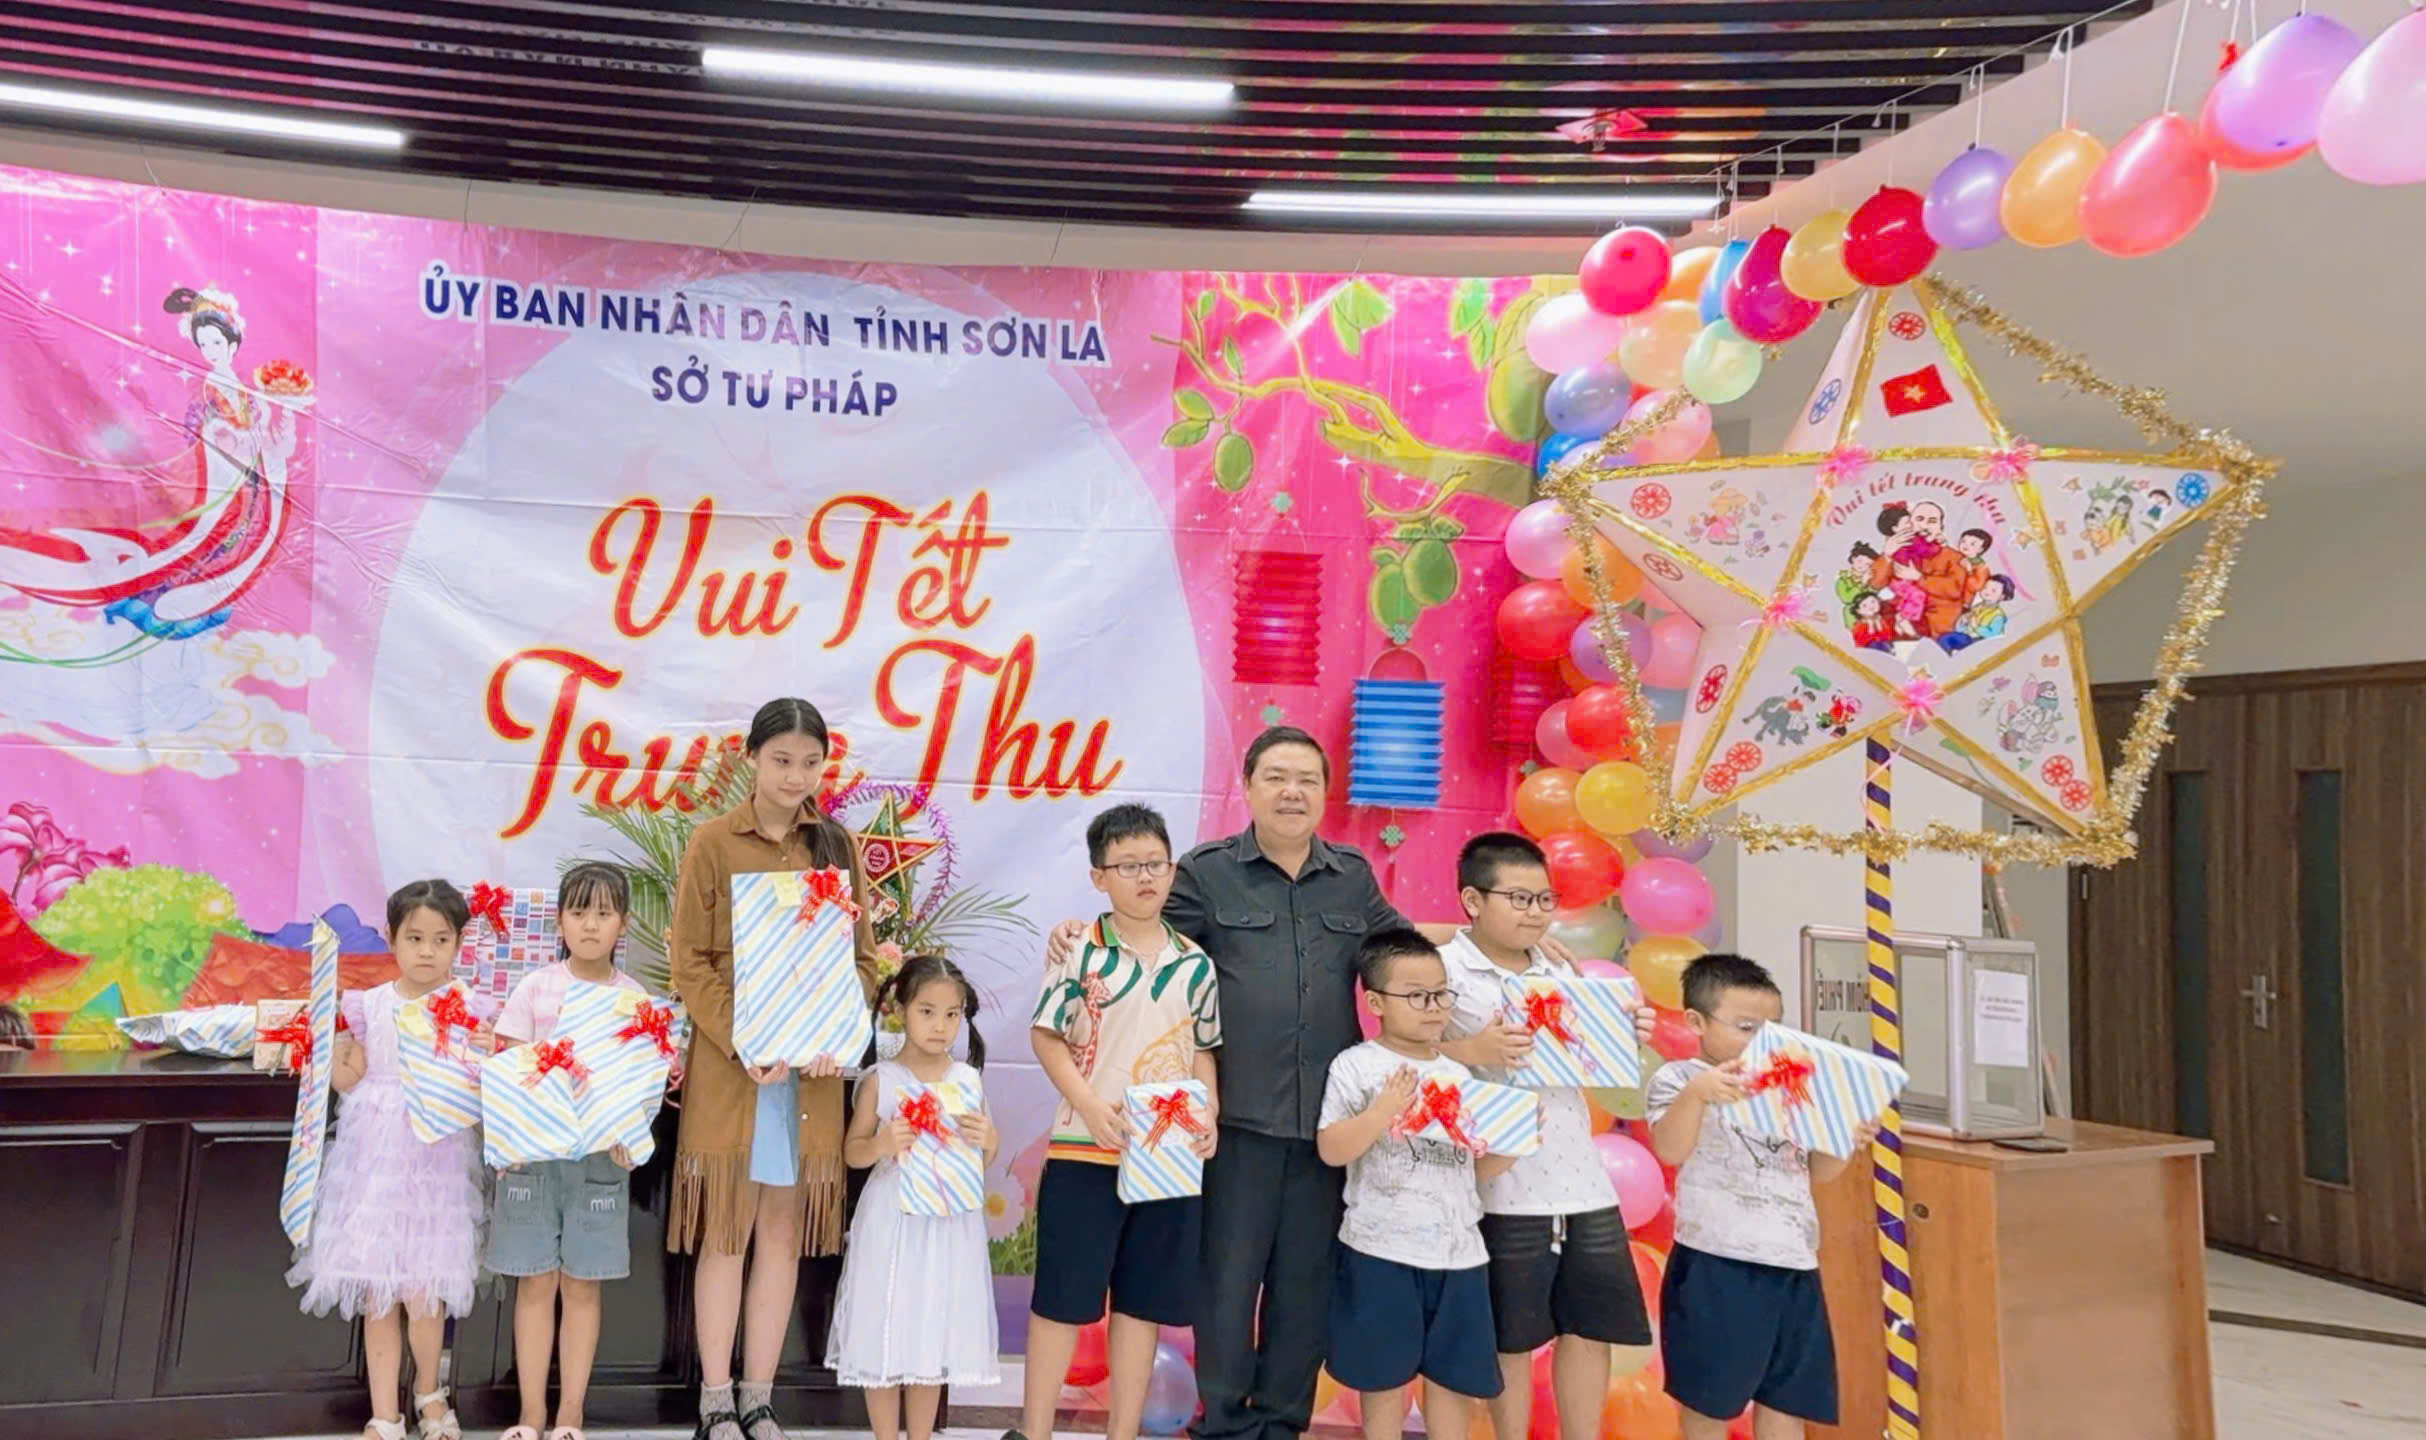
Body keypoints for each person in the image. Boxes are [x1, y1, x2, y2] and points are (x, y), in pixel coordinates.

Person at [1045, 726, 1440, 1440]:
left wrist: (1495, 942)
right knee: (1225, 1285)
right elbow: (1140, 932)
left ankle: (1282, 1423)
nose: (1292, 792)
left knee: (1304, 1286)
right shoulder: (1206, 872)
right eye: (1276, 777)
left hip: (1326, 1126)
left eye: (1308, 780)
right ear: (1249, 787)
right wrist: (1077, 934)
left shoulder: (1351, 876)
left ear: (1325, 793)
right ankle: (1224, 1425)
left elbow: (1407, 953)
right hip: (1233, 1123)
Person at [669, 698, 882, 1440]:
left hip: (809, 1079)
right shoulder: (713, 843)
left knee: (782, 1232)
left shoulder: (837, 846)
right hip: (736, 1072)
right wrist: (746, 1040)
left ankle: (759, 1398)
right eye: (782, 760)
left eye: (810, 762)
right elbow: (690, 963)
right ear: (752, 759)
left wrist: (836, 1029)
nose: (796, 776)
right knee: (726, 1231)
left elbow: (861, 962)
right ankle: (715, 1400)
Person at [1016, 803, 1222, 1440]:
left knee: (1142, 1304)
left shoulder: (1195, 963)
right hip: (1086, 1150)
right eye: (1128, 866)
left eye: (1155, 863)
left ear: (1172, 870)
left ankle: (1124, 1431)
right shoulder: (1081, 950)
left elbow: (1203, 1050)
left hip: (1165, 1158)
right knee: (1061, 1301)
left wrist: (1209, 1110)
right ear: (1098, 876)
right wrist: (1088, 1104)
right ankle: (1034, 1431)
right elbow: (1046, 1036)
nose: (1145, 877)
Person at [1437, 834, 1654, 1440]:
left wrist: (1623, 1033)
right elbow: (1405, 1058)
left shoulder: (1560, 968)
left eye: (1544, 899)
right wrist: (1472, 1049)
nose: (1535, 912)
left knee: (1589, 1328)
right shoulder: (1443, 970)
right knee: (1509, 1335)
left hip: (1582, 1178)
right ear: (1473, 901)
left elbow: (1586, 1060)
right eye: (1519, 898)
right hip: (1499, 1182)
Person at [287, 879, 488, 1440]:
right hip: (374, 1161)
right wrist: (322, 1051)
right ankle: (384, 1413)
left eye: (441, 940)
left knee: (424, 1291)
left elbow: (477, 1086)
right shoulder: (370, 1005)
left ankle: (429, 1394)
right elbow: (351, 1077)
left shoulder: (467, 1007)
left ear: (458, 943)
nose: (427, 951)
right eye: (415, 938)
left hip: (437, 1162)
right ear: (391, 938)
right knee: (378, 1291)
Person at [1645, 956, 1872, 1440]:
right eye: (1746, 1027)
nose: (1761, 1040)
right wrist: (1698, 1095)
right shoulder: (1680, 1079)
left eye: (1772, 1028)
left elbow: (1817, 1172)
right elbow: (1669, 1148)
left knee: (1786, 1398)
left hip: (1793, 1261)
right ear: (1696, 1022)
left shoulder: (1790, 1087)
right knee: (1709, 1399)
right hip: (1716, 1262)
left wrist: (1844, 1137)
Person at [1317, 928, 1513, 1440]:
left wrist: (1512, 1147)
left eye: (1441, 995)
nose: (1433, 1008)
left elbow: (1470, 1167)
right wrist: (1381, 1111)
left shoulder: (1459, 1073)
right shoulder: (1357, 1065)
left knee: (1451, 1380)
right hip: (1380, 1249)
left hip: (1459, 1253)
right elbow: (1331, 1148)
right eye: (1417, 997)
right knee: (1382, 1379)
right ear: (1375, 1002)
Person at [486, 861, 649, 1440]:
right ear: (559, 921)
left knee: (583, 1284)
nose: (590, 925)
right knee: (535, 1282)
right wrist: (509, 1140)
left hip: (600, 1160)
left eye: (604, 913)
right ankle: (530, 1415)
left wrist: (631, 1139)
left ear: (623, 924)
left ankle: (570, 1415)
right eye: (579, 912)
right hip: (534, 1158)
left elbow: (641, 1083)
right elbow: (507, 1067)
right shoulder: (536, 988)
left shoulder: (633, 1000)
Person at [830, 955, 1001, 1440]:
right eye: (927, 1012)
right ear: (901, 1009)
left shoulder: (966, 1080)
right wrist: (882, 1144)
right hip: (893, 1220)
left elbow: (983, 1156)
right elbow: (853, 1152)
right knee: (885, 1328)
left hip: (948, 1225)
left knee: (931, 1334)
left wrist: (988, 1140)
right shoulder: (882, 1080)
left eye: (952, 1015)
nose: (940, 1026)